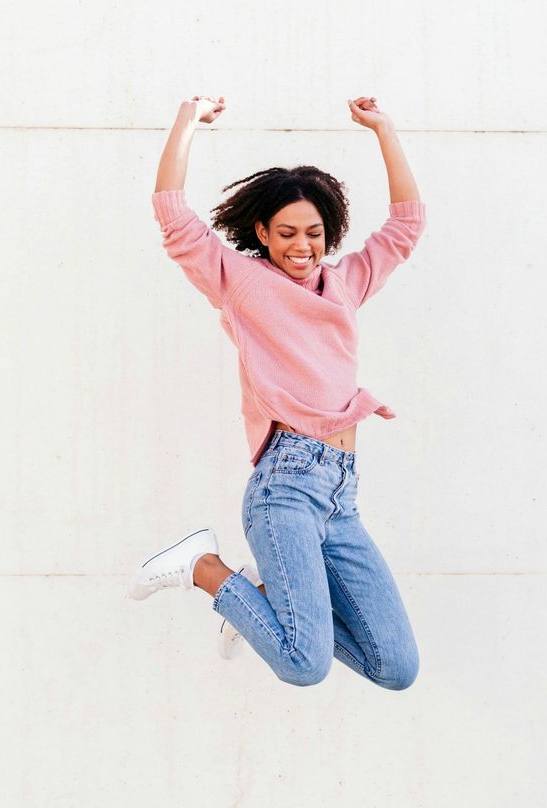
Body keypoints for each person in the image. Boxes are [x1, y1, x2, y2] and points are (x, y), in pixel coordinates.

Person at [128, 94, 425, 690]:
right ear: (261, 232)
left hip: (341, 493)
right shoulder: (240, 283)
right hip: (285, 486)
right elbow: (172, 212)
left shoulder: (346, 284)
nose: (300, 245)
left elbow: (406, 224)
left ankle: (257, 601)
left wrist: (384, 129)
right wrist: (187, 122)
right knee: (303, 663)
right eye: (286, 232)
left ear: (328, 233)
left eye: (313, 233)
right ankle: (205, 569)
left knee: (396, 667)